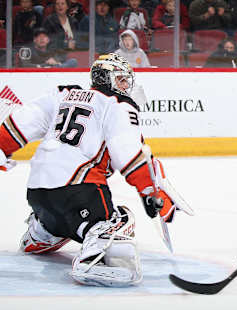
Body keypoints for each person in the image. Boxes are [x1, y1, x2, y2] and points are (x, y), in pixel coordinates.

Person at [0, 53, 192, 286]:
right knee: (119, 219)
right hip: (79, 190)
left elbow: (21, 123)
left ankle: (43, 232)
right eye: (121, 80)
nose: (125, 86)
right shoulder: (118, 104)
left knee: (63, 215)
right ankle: (93, 259)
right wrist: (152, 191)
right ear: (106, 78)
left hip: (37, 194)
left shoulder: (63, 93)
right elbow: (128, 153)